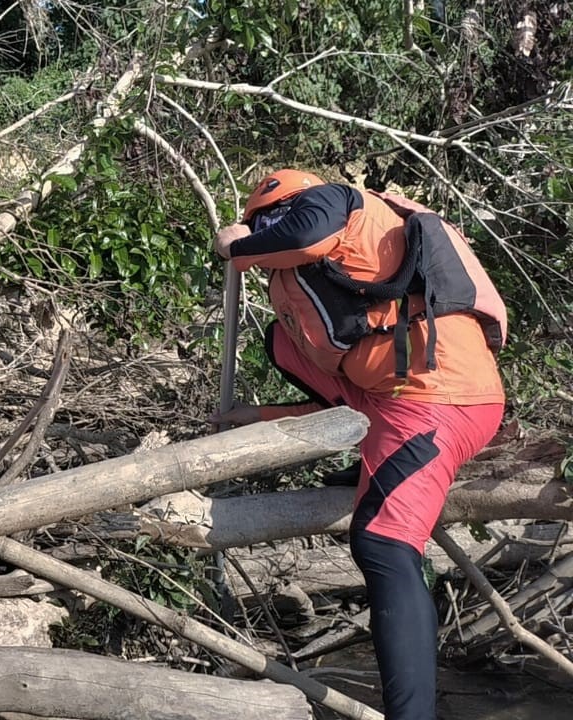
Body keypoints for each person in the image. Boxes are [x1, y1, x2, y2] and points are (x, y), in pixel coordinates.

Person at [211, 169, 508, 719]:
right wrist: (256, 416)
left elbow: (305, 233)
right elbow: (349, 393)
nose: (265, 233)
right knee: (282, 341)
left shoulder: (334, 201)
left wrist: (240, 243)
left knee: (382, 542)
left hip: (437, 402)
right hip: (394, 402)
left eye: (268, 221)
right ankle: (372, 466)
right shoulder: (324, 265)